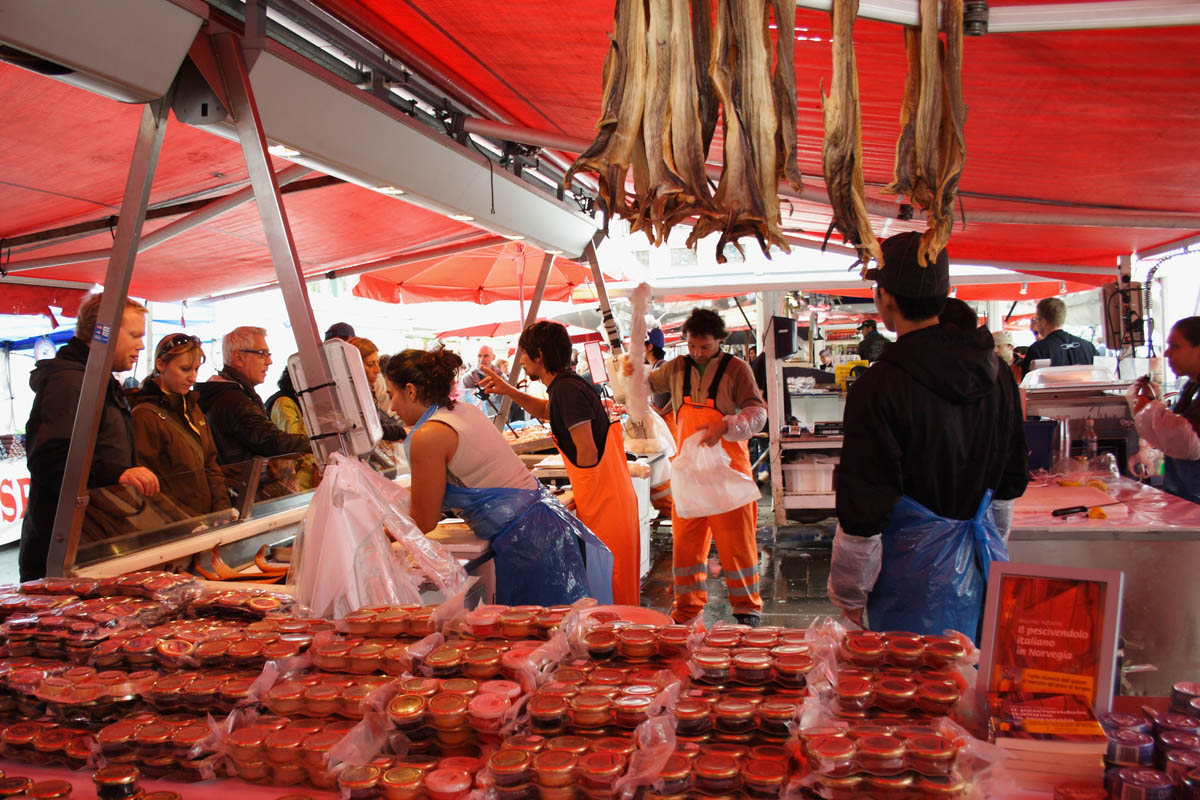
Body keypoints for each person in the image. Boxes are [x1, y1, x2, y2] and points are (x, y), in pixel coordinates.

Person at [829, 232, 1028, 638]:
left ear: (885, 298)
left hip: (910, 581)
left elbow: (863, 511)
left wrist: (850, 599)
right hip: (982, 562)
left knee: (913, 693)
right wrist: (992, 552)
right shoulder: (998, 374)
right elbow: (1008, 486)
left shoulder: (879, 385)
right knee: (971, 687)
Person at [387, 347, 612, 605]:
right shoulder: (461, 411)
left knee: (541, 632)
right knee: (563, 628)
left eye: (391, 394)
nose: (392, 406)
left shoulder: (429, 435)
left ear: (411, 390)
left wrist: (381, 532)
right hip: (547, 524)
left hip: (530, 541)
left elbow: (424, 521)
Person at [479, 321, 641, 606]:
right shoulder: (564, 386)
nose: (523, 360)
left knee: (613, 593)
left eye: (525, 354)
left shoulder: (566, 390)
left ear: (539, 355)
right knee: (614, 589)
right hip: (608, 499)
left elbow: (587, 453)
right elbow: (546, 411)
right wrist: (508, 390)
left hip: (605, 505)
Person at [642, 308, 768, 626]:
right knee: (686, 547)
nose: (697, 353)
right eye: (692, 346)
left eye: (705, 347)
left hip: (728, 468)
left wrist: (728, 425)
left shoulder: (737, 369)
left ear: (720, 341)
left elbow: (758, 412)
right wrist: (630, 371)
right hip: (689, 470)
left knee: (737, 545)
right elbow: (645, 382)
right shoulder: (675, 368)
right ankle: (686, 611)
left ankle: (746, 609)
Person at [21, 293, 160, 580]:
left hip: (96, 536)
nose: (141, 345)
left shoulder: (97, 378)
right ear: (103, 331)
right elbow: (49, 459)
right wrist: (118, 473)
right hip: (67, 546)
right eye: (134, 335)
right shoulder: (70, 382)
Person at [131, 333, 232, 518]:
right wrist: (186, 521)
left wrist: (221, 510)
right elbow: (147, 486)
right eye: (185, 369)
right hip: (173, 527)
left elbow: (211, 462)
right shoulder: (144, 416)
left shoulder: (193, 407)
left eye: (196, 369)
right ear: (161, 364)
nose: (193, 378)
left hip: (204, 522)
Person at [197, 327, 310, 466]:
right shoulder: (234, 400)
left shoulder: (226, 393)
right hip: (242, 484)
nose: (269, 361)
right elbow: (270, 441)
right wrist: (316, 441)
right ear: (238, 357)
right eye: (262, 353)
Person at [1130, 317, 1200, 503]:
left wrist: (1149, 407)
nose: (1167, 353)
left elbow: (1189, 443)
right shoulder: (1191, 387)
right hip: (1185, 500)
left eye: (1175, 346)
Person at [347, 337, 407, 443]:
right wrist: (399, 432)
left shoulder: (368, 390)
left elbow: (377, 422)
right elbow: (365, 429)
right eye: (370, 364)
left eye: (377, 363)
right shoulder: (346, 397)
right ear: (353, 366)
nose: (377, 370)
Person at [1019, 297, 1096, 376]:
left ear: (1043, 321)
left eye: (1036, 319)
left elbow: (1027, 385)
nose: (1036, 323)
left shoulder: (1037, 350)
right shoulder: (1088, 347)